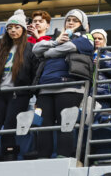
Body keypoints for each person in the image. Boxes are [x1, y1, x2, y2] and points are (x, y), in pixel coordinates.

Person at [0, 10, 40, 162]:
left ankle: (9, 153)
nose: (13, 30)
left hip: (19, 94)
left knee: (10, 124)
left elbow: (36, 73)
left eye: (17, 27)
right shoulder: (1, 51)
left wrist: (34, 92)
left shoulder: (30, 49)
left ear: (23, 29)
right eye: (10, 27)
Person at [32, 9, 94, 159]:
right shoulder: (56, 37)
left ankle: (63, 157)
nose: (70, 22)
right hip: (45, 88)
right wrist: (55, 42)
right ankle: (43, 158)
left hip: (70, 87)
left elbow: (69, 48)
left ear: (82, 24)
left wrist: (49, 51)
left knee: (65, 124)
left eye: (75, 20)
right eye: (68, 19)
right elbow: (35, 48)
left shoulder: (87, 37)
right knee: (43, 126)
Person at [90, 29, 111, 109]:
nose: (97, 40)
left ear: (105, 41)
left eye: (100, 38)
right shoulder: (85, 55)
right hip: (87, 95)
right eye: (94, 38)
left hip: (105, 95)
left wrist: (102, 64)